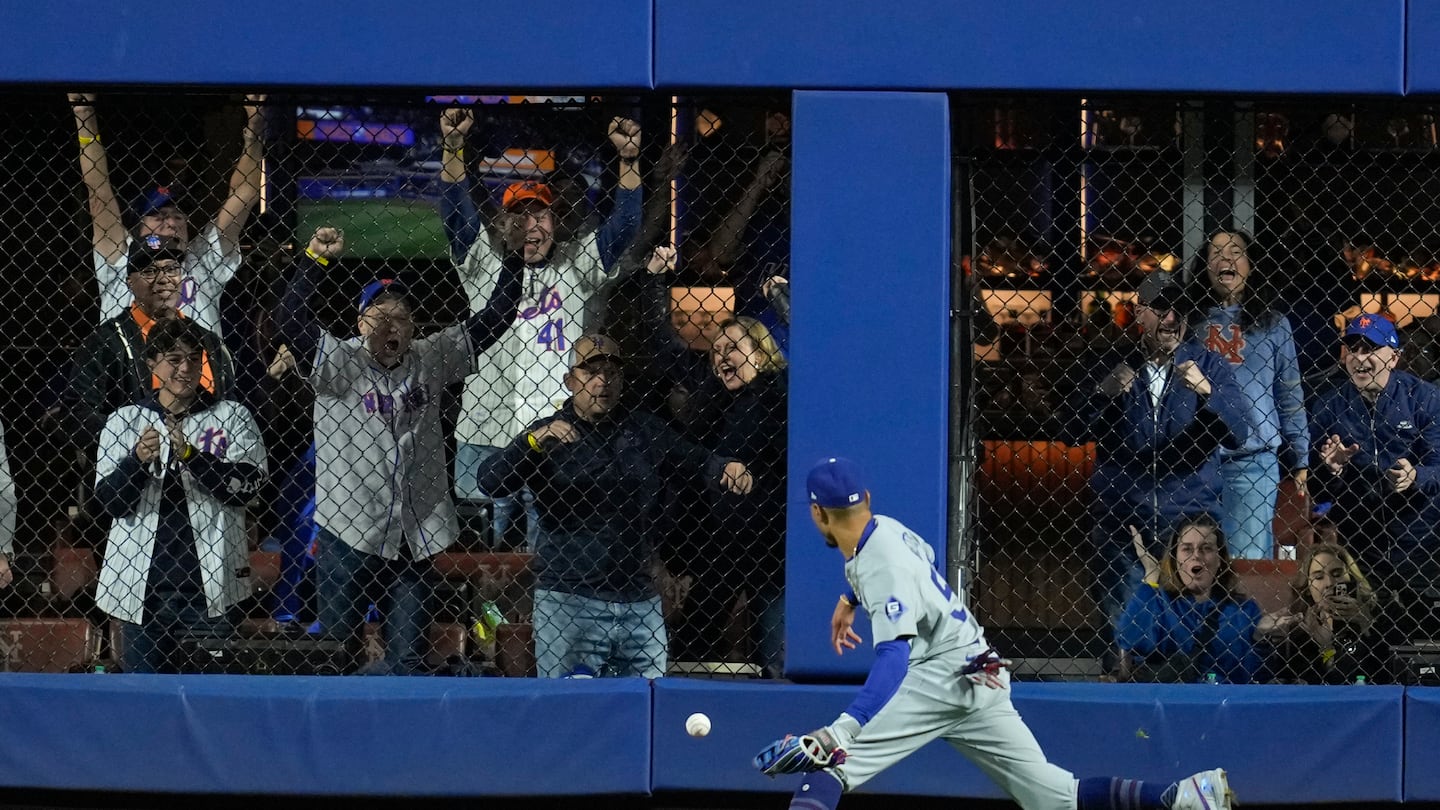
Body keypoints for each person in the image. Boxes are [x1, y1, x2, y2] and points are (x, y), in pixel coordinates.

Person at [752, 457, 1235, 810]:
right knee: (1054, 797)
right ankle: (1181, 796)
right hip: (980, 669)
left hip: (938, 675)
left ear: (817, 514)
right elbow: (921, 563)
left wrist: (844, 726)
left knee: (830, 763)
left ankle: (833, 743)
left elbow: (894, 657)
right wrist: (850, 600)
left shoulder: (882, 565)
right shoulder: (885, 528)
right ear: (867, 502)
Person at [275, 227, 522, 674]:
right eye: (379, 315)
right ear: (358, 323)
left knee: (409, 663)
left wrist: (514, 259)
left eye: (402, 317)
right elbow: (290, 320)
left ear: (414, 327)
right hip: (350, 534)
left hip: (415, 534)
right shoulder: (339, 360)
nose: (391, 324)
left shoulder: (430, 356)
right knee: (337, 660)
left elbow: (496, 318)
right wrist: (315, 260)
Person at [476, 334, 754, 679]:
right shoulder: (547, 435)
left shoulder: (642, 429)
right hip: (570, 600)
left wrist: (724, 466)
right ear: (570, 380)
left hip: (638, 600)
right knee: (573, 710)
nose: (602, 381)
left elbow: (693, 459)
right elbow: (491, 481)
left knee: (645, 706)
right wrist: (530, 444)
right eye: (591, 371)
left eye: (611, 372)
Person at [439, 107, 643, 549]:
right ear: (500, 225)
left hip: (553, 434)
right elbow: (455, 212)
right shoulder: (482, 265)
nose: (530, 225)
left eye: (541, 216)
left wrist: (628, 161)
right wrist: (453, 148)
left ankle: (541, 618)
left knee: (547, 550)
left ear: (556, 223)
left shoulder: (576, 267)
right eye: (518, 216)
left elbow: (624, 227)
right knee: (476, 554)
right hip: (482, 432)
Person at [1061, 271, 1249, 633]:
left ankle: (1193, 687)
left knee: (1196, 627)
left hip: (1191, 518)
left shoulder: (1208, 364)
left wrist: (1208, 391)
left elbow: (1240, 432)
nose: (1172, 318)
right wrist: (1104, 393)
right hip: (1123, 516)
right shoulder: (1109, 363)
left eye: (1180, 309)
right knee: (1126, 625)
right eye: (1161, 308)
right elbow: (1070, 431)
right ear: (1139, 313)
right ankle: (1122, 679)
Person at [92, 319, 266, 673]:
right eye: (174, 358)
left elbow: (248, 487)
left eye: (193, 358)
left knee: (211, 704)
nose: (185, 368)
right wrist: (137, 462)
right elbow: (110, 503)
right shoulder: (124, 420)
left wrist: (192, 456)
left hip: (212, 591)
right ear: (152, 363)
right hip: (140, 592)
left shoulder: (231, 416)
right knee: (145, 703)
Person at [70, 92, 265, 336]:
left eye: (178, 216)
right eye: (159, 216)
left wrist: (255, 130)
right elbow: (99, 193)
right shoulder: (121, 259)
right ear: (137, 227)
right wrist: (85, 118)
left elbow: (244, 194)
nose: (171, 222)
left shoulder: (202, 260)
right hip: (132, 372)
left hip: (198, 371)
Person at [1306, 314, 1440, 617]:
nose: (1359, 358)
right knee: (1366, 639)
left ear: (1393, 357)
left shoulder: (1426, 399)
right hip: (1359, 544)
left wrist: (1414, 476)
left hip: (1421, 541)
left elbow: (1438, 466)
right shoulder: (1328, 404)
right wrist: (1332, 470)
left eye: (1370, 349)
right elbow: (1317, 489)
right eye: (1353, 349)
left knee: (1421, 635)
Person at [1187, 230, 1308, 559]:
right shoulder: (1188, 323)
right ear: (1204, 267)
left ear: (1252, 265)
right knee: (1193, 564)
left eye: (1236, 251)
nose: (1225, 258)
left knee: (1247, 564)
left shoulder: (1274, 323)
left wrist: (1301, 457)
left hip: (1251, 464)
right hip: (1192, 461)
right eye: (1216, 252)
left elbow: (1289, 393)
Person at [69, 235, 235, 445]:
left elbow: (231, 409)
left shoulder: (208, 341)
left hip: (206, 466)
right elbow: (77, 415)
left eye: (171, 269)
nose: (163, 278)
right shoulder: (105, 342)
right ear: (130, 282)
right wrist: (137, 436)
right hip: (135, 467)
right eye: (149, 271)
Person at [1114, 515, 1263, 684]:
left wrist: (1261, 638)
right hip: (1170, 702)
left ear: (1220, 559)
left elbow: (1257, 676)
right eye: (1187, 549)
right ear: (1175, 558)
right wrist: (1151, 576)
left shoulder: (1244, 610)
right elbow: (1131, 642)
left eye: (1206, 548)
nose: (1196, 556)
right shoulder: (1159, 603)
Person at [1258, 541, 1402, 684]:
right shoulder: (1298, 629)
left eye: (1337, 574)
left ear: (1352, 578)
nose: (1329, 583)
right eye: (1318, 577)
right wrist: (1324, 647)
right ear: (1308, 588)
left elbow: (1392, 671)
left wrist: (1367, 626)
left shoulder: (1382, 616)